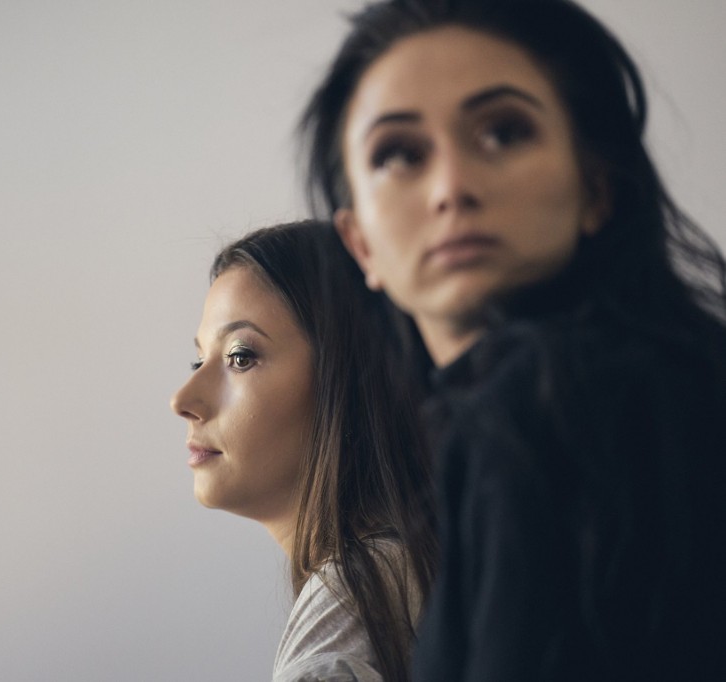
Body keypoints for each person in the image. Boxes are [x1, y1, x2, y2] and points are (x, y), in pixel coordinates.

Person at [300, 0, 726, 679]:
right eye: (400, 154)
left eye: (503, 132)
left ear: (596, 188)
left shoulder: (541, 404)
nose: (451, 187)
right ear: (361, 246)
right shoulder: (672, 380)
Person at [170, 220, 437, 681]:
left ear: (346, 379)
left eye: (240, 356)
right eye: (199, 360)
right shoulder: (419, 561)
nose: (183, 400)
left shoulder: (360, 589)